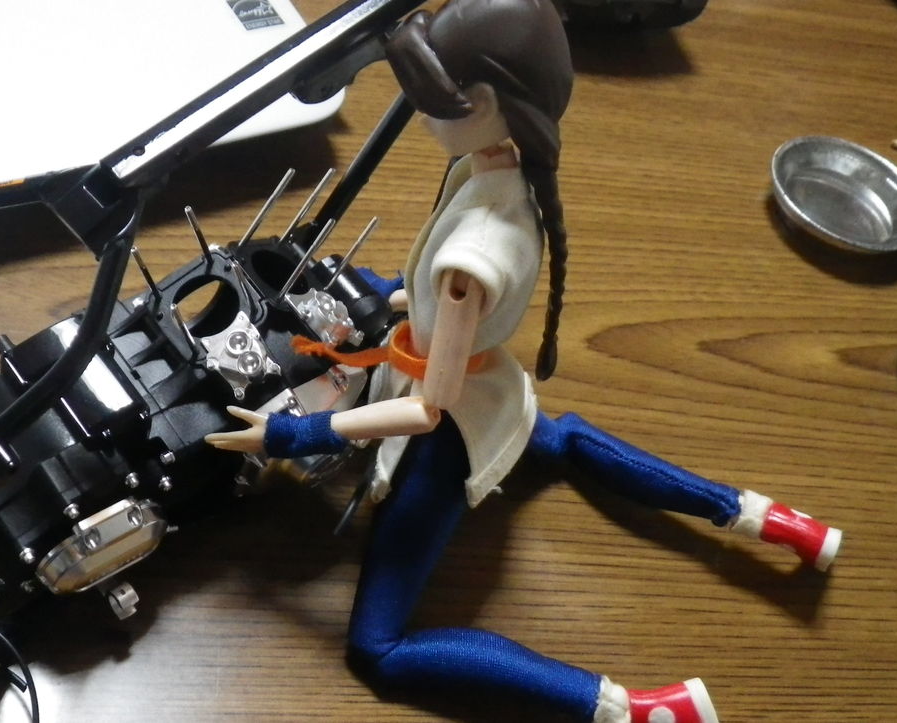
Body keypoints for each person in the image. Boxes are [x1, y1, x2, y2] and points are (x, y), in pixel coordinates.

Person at [209, 2, 840, 721]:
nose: (420, 114)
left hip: (444, 440)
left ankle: (629, 708)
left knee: (377, 649)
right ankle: (775, 520)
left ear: (483, 104)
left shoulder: (469, 258)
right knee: (561, 439)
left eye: (433, 99)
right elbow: (444, 307)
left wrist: (295, 434)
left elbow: (426, 410)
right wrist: (384, 294)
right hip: (494, 389)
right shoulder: (506, 176)